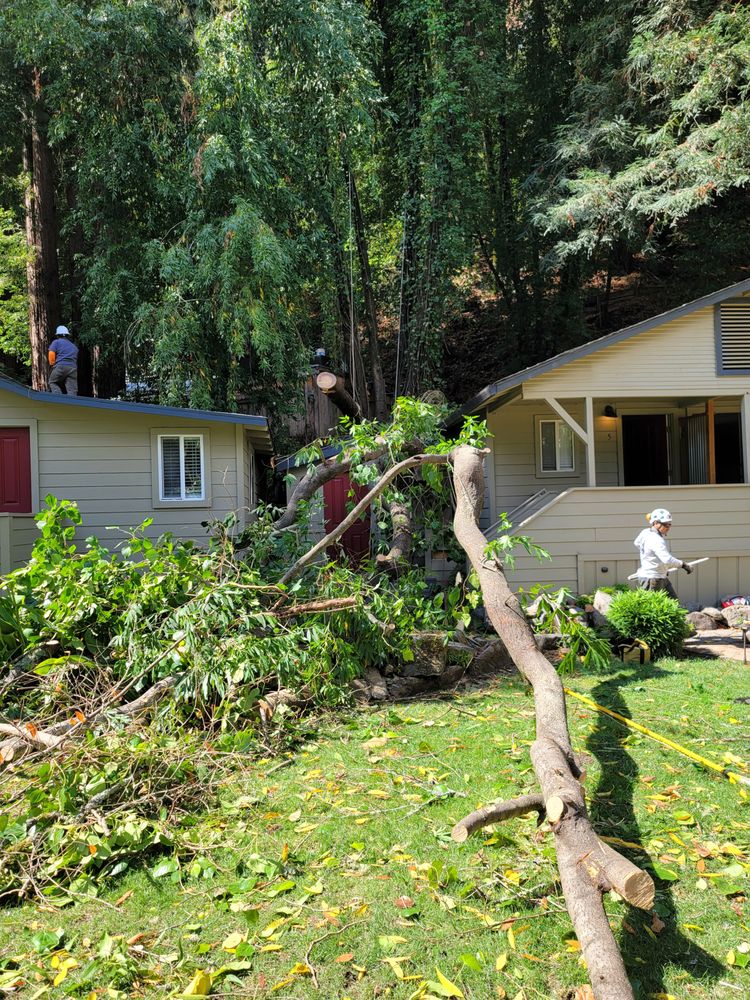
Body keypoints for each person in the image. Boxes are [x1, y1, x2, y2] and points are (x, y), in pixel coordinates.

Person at [633, 507, 693, 599]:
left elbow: (637, 543)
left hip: (659, 576)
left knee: (674, 604)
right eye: (666, 524)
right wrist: (684, 565)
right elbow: (667, 560)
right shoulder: (656, 539)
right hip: (653, 579)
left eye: (669, 524)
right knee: (654, 610)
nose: (668, 527)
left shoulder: (645, 532)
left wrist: (661, 567)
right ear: (656, 523)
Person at [48, 325, 79, 396]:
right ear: (67, 335)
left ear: (58, 335)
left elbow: (51, 354)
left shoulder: (56, 342)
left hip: (61, 366)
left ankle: (59, 398)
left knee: (52, 382)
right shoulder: (73, 346)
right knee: (72, 390)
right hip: (73, 368)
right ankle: (71, 404)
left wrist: (52, 364)